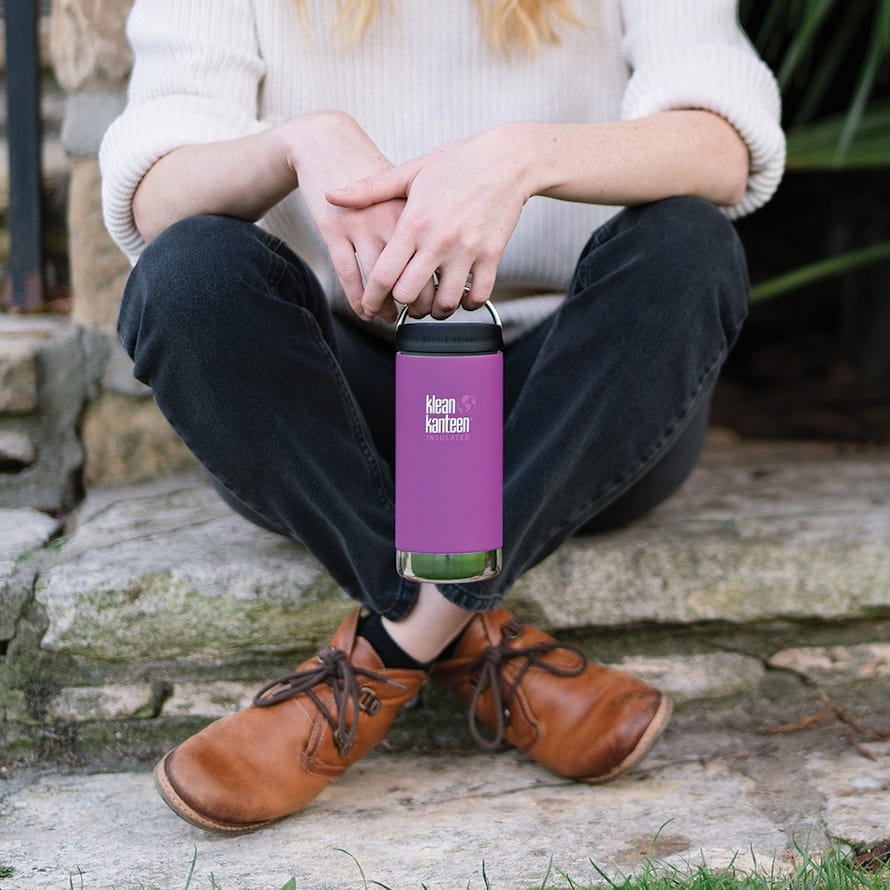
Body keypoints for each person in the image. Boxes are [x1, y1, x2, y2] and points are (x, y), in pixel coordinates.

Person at [100, 0, 785, 832]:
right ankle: (469, 635)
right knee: (187, 272)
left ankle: (384, 656)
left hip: (563, 407)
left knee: (689, 244)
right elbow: (154, 191)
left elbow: (723, 146)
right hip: (337, 416)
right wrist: (295, 143)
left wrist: (520, 157)